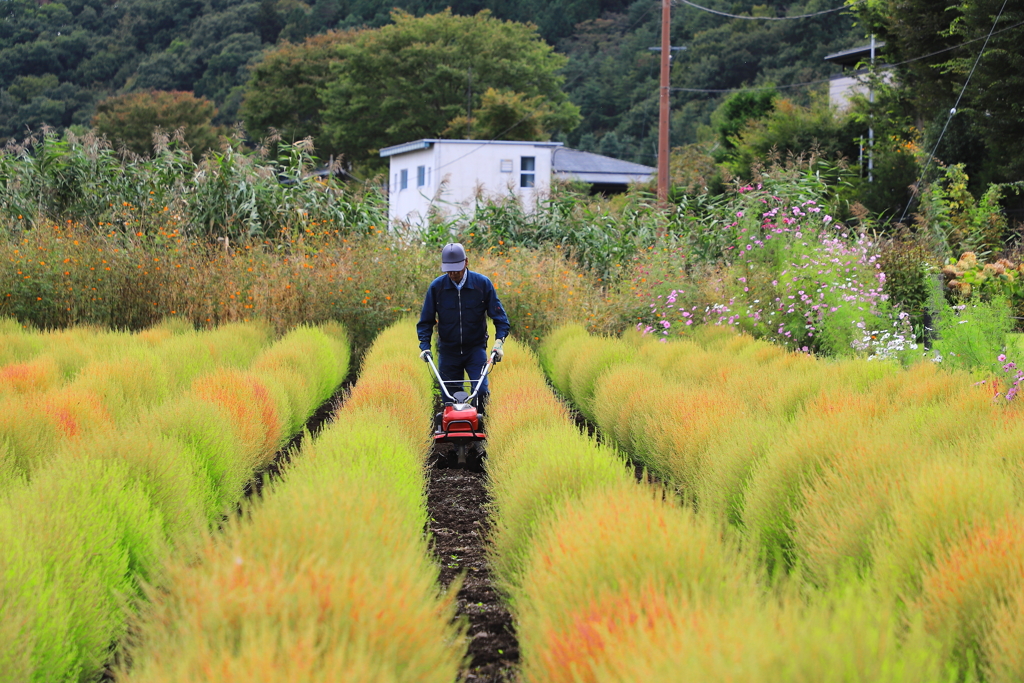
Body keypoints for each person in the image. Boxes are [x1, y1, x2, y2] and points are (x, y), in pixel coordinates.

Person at [417, 242, 510, 413]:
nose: (452, 273)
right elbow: (426, 321)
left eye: (456, 269)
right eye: (449, 270)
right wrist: (424, 346)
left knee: (481, 392)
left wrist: (499, 342)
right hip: (448, 351)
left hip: (475, 350)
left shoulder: (481, 285)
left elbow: (500, 319)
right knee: (449, 398)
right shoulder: (437, 288)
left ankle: (482, 429)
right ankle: (454, 437)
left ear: (466, 262)